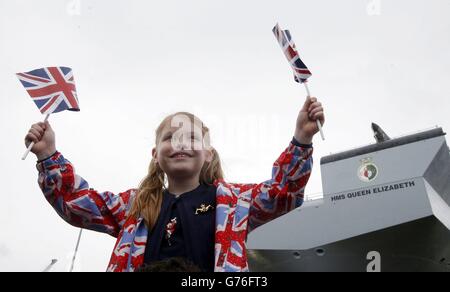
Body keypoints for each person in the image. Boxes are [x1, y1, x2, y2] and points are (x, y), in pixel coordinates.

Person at [25, 97, 324, 272]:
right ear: (156, 155)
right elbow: (76, 204)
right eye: (170, 137)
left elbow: (283, 192)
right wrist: (48, 155)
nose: (180, 143)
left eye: (191, 137)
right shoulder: (134, 206)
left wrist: (302, 138)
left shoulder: (234, 203)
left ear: (208, 154)